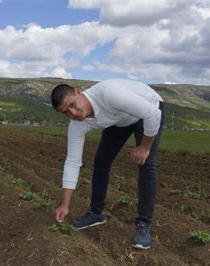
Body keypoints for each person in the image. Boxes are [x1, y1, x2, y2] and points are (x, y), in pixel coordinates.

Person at [51, 79, 164, 249]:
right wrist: (65, 204)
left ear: (78, 92)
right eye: (66, 112)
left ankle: (143, 225)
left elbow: (153, 115)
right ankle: (96, 213)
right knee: (101, 162)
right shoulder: (77, 124)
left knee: (146, 163)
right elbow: (72, 162)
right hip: (119, 120)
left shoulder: (108, 93)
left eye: (73, 105)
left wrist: (144, 147)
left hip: (148, 109)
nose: (73, 113)